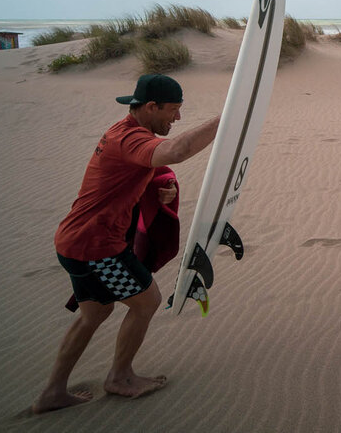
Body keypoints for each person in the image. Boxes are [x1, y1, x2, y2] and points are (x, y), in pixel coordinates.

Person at [32, 74, 220, 414]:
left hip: (76, 241)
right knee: (147, 302)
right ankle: (119, 377)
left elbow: (124, 178)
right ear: (151, 107)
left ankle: (52, 393)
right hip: (96, 248)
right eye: (173, 111)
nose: (177, 118)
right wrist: (226, 121)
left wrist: (160, 191)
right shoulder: (131, 139)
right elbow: (177, 150)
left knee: (95, 313)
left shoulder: (127, 133)